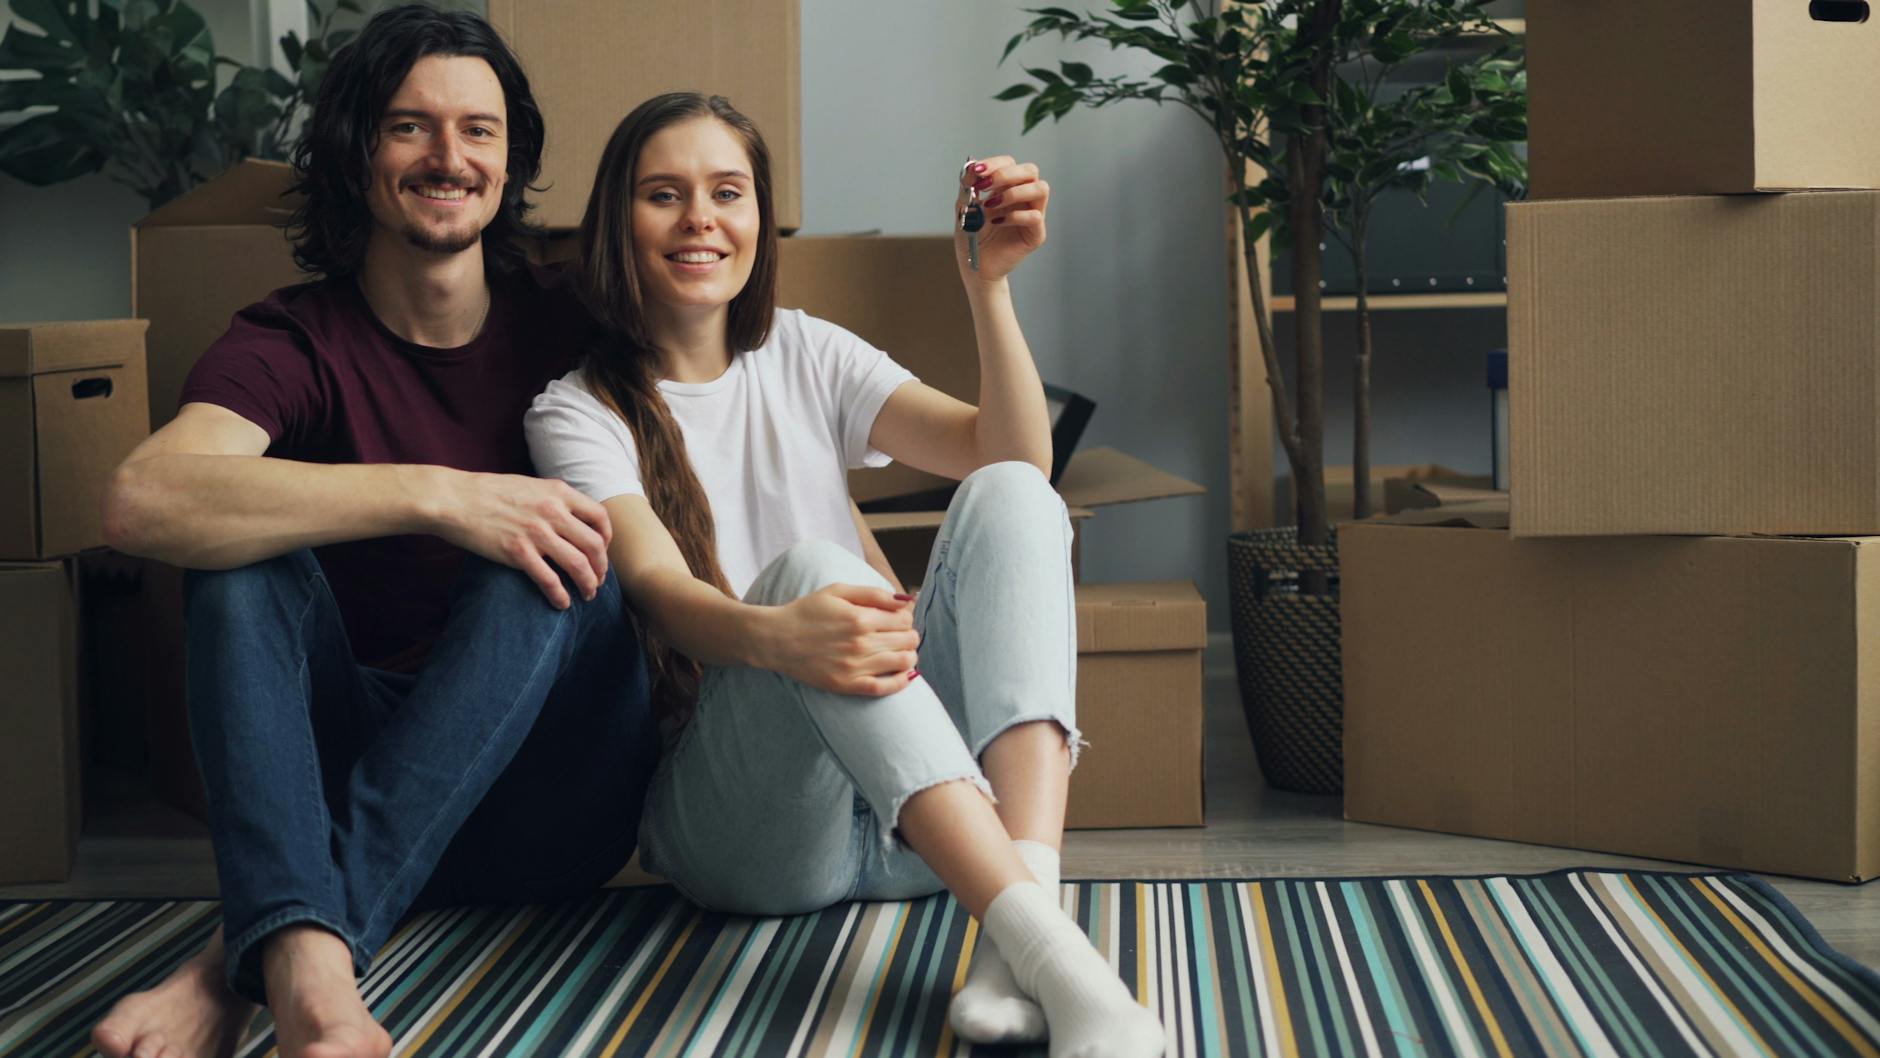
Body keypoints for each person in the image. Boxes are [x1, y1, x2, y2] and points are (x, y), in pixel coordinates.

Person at [524, 92, 1166, 1058]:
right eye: (665, 194)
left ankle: (1019, 931)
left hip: (927, 824)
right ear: (619, 222)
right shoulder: (573, 412)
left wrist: (986, 285)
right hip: (753, 833)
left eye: (727, 192)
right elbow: (658, 589)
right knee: (816, 573)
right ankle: (1073, 972)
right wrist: (785, 633)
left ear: (758, 217)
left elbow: (1010, 451)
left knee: (1017, 495)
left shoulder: (803, 348)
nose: (700, 217)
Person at [89, 8, 658, 1058]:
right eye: (411, 127)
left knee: (544, 553)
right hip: (345, 782)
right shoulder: (291, 338)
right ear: (355, 154)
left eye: (479, 131)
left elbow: (759, 403)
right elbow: (141, 498)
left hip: (553, 801)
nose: (450, 157)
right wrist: (437, 494)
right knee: (242, 562)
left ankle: (250, 961)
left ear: (510, 159)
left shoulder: (577, 315)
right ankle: (316, 980)